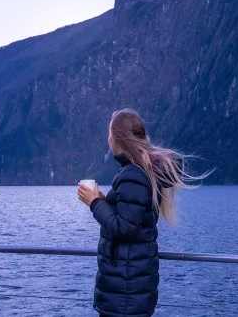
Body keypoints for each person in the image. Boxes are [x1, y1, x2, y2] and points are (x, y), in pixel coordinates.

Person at [77, 108, 210, 317]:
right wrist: (104, 201)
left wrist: (94, 203)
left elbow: (124, 228)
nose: (108, 138)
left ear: (118, 138)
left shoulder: (133, 175)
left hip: (125, 292)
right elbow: (130, 214)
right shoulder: (138, 171)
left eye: (110, 132)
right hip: (130, 288)